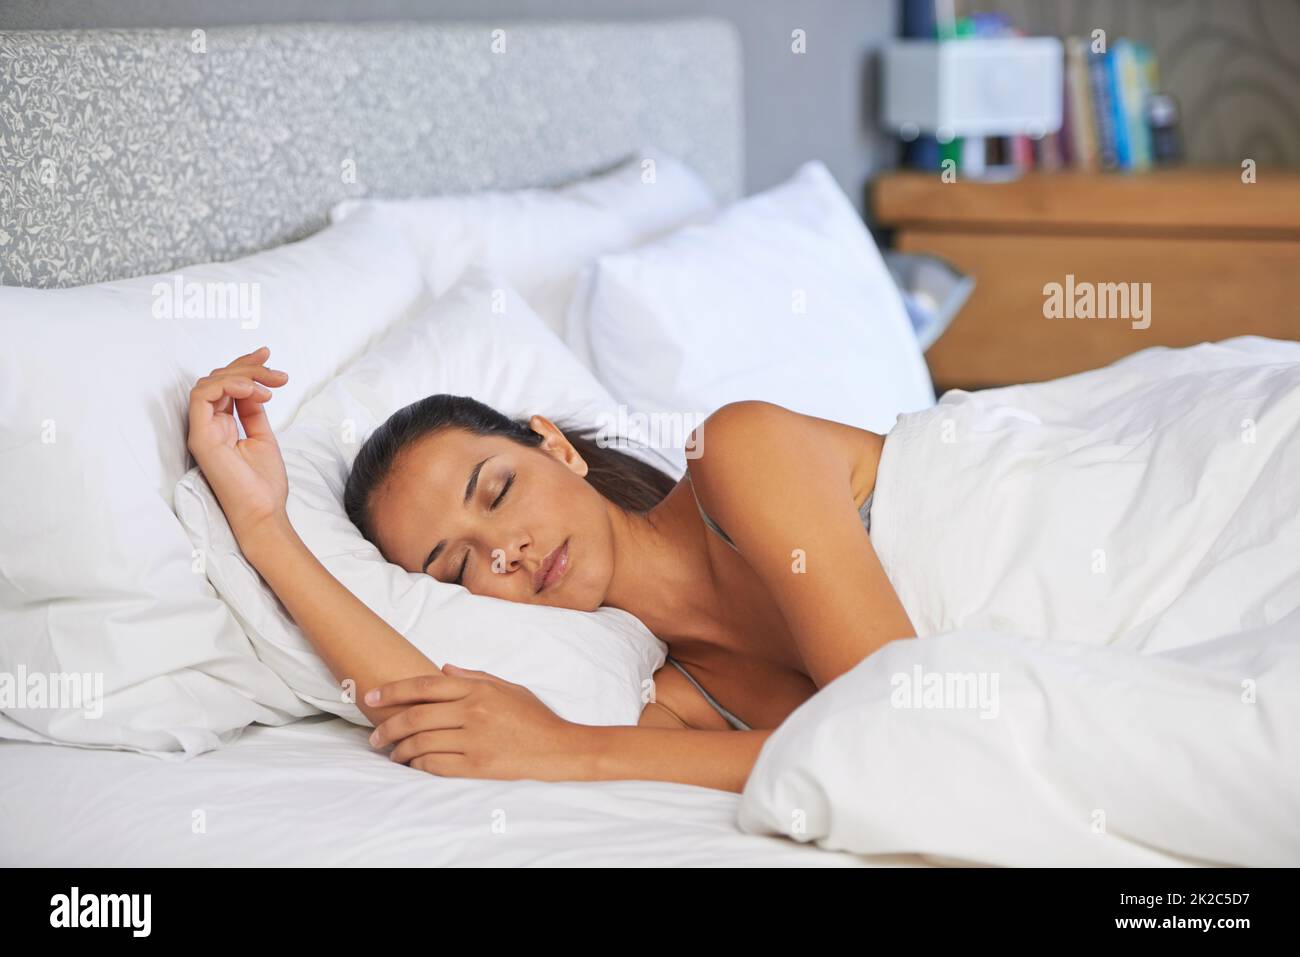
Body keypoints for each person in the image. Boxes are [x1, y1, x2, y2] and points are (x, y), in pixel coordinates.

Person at [187, 346, 916, 793]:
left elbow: (906, 731)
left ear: (558, 447)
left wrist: (565, 748)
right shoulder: (670, 704)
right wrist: (265, 528)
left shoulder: (739, 454)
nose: (504, 551)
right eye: (458, 567)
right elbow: (431, 711)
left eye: (498, 490)